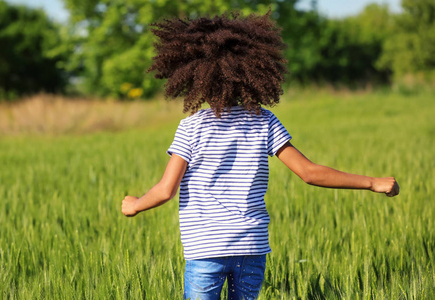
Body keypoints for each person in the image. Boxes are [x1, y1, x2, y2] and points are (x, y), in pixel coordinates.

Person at [121, 11, 399, 300]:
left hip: (205, 249)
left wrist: (135, 205)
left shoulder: (192, 127)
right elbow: (309, 173)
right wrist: (372, 182)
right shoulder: (263, 121)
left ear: (194, 75)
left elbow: (166, 190)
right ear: (252, 73)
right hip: (251, 247)